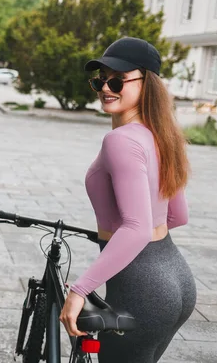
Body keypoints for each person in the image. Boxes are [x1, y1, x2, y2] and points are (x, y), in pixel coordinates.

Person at [58, 37, 196, 363]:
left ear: (146, 84)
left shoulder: (120, 141)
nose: (107, 87)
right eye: (100, 79)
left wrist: (79, 290)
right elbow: (177, 216)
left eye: (118, 79)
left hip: (141, 290)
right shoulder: (162, 135)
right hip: (176, 279)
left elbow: (136, 228)